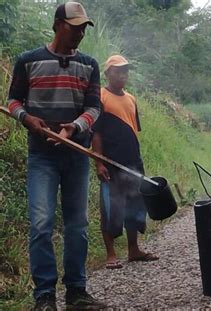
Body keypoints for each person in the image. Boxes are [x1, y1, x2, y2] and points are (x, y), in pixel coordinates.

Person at [6, 2, 106, 310]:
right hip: (42, 157)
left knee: (77, 224)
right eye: (74, 26)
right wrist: (26, 118)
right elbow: (12, 101)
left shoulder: (89, 64)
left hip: (76, 154)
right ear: (57, 24)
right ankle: (44, 296)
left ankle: (76, 291)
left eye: (82, 28)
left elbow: (93, 108)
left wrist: (74, 127)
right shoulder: (28, 61)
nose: (79, 33)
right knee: (41, 223)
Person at [91, 55, 158, 270]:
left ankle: (133, 250)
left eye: (125, 71)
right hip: (110, 162)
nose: (122, 75)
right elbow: (96, 133)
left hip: (133, 162)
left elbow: (133, 129)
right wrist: (99, 163)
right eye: (118, 71)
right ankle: (110, 254)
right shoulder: (100, 97)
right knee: (111, 208)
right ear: (108, 73)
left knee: (135, 205)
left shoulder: (131, 99)